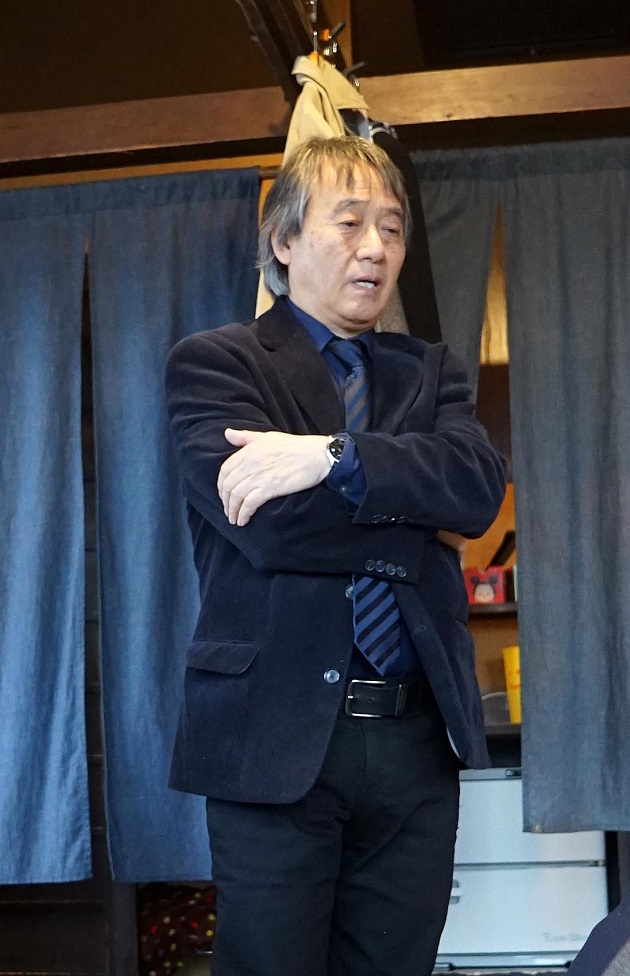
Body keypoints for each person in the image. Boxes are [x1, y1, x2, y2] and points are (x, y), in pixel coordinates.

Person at [165, 135, 506, 976]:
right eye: (349, 223)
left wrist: (333, 459)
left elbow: (474, 492)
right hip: (271, 735)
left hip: (414, 738)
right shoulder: (217, 363)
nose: (376, 248)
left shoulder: (429, 371)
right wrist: (413, 523)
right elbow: (270, 529)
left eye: (391, 228)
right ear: (284, 241)